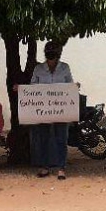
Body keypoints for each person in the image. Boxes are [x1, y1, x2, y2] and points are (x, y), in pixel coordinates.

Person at [30, 41, 75, 181]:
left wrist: (75, 86)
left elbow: (69, 85)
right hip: (43, 110)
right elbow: (32, 87)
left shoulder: (65, 68)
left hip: (60, 109)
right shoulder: (38, 69)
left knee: (61, 137)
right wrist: (21, 89)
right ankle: (44, 166)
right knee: (43, 138)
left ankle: (61, 168)